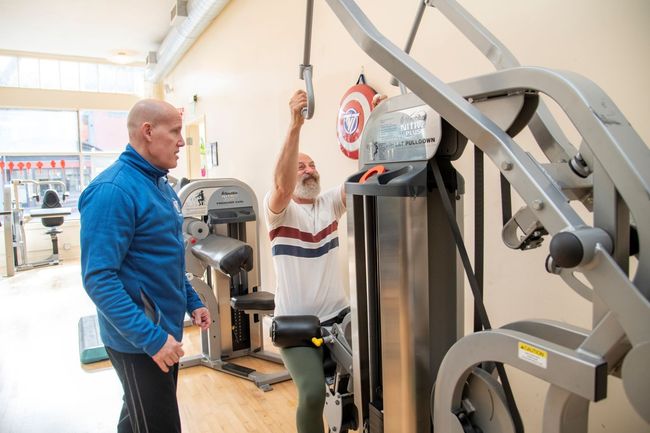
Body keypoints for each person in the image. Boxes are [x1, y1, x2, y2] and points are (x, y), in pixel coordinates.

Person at [79, 99, 211, 433]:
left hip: (163, 331)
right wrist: (150, 339)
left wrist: (192, 301)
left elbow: (167, 257)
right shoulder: (113, 191)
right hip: (137, 341)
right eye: (176, 132)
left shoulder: (161, 185)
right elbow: (99, 279)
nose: (182, 142)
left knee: (137, 417)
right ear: (148, 132)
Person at [263, 89, 351, 433]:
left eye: (312, 165)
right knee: (313, 394)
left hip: (340, 317)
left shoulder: (329, 204)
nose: (309, 170)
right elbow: (282, 186)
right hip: (297, 327)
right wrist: (295, 126)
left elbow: (367, 177)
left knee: (378, 374)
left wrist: (380, 122)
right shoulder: (281, 212)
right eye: (301, 165)